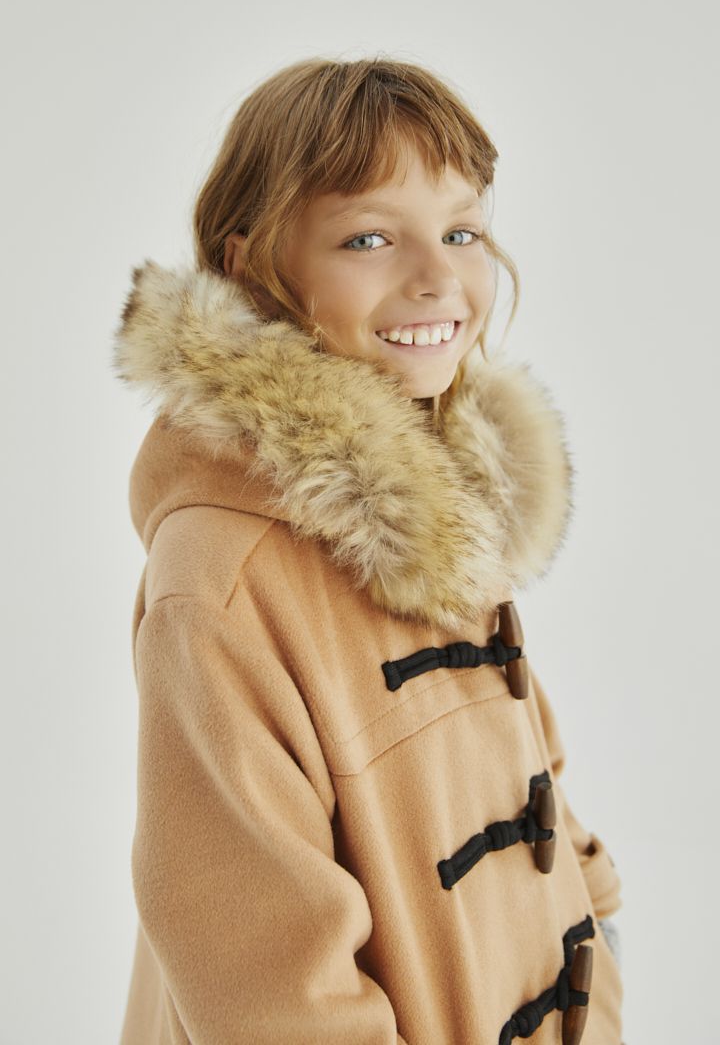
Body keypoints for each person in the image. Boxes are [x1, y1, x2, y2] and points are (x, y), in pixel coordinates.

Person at [113, 56, 624, 1045]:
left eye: (462, 231)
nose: (439, 278)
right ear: (251, 264)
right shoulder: (220, 580)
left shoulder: (438, 497)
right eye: (370, 237)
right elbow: (270, 988)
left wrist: (596, 927)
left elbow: (525, 768)